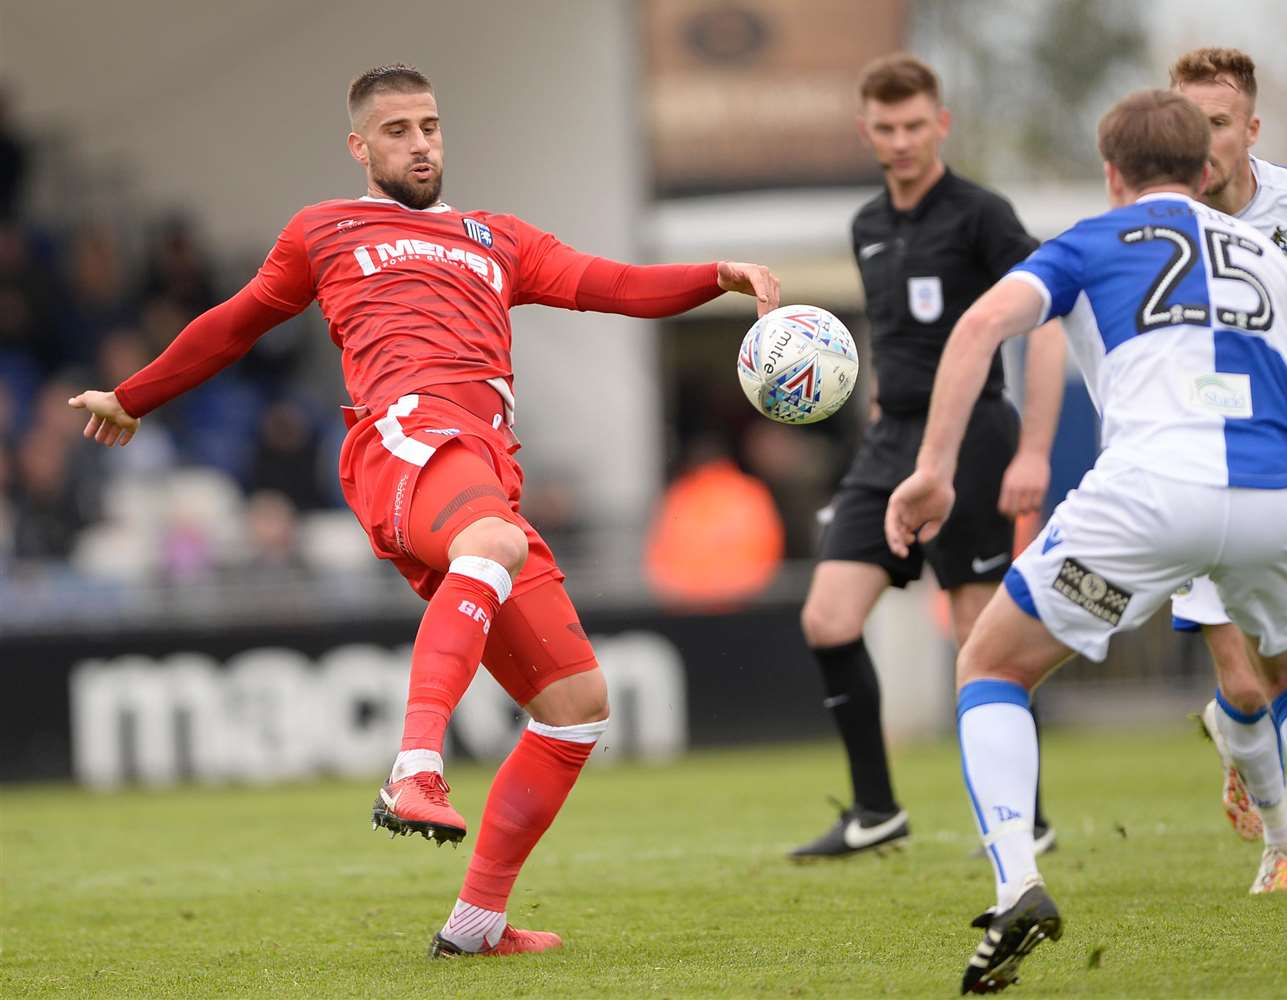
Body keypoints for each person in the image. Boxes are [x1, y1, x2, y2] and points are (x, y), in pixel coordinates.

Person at [67, 64, 780, 958]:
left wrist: (715, 274)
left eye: (430, 126)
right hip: (402, 440)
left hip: (482, 468)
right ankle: (415, 768)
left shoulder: (497, 238)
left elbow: (612, 284)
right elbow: (237, 321)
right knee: (491, 539)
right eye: (397, 130)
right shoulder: (323, 229)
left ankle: (476, 923)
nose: (420, 143)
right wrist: (132, 396)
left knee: (576, 702)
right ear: (360, 147)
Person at [885, 89, 1287, 990]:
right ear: (1205, 170)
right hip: (1273, 500)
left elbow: (979, 327)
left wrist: (933, 469)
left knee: (991, 667)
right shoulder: (1265, 254)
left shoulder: (1090, 241)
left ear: (1110, 173)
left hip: (1147, 500)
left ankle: (1018, 883)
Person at [1021, 48, 1287, 894]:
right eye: (1189, 126)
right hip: (1180, 467)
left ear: (1248, 128)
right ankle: (1280, 837)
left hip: (1286, 468)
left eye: (1217, 124)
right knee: (1245, 683)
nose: (1204, 142)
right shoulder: (1138, 230)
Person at [789, 54, 1066, 860]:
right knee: (827, 618)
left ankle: (1027, 820)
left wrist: (1034, 451)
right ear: (864, 130)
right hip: (889, 441)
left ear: (940, 123)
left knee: (981, 632)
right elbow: (893, 339)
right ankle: (875, 810)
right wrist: (875, 409)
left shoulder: (981, 214)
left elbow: (1045, 322)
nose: (901, 140)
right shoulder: (866, 225)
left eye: (915, 125)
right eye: (885, 128)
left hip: (975, 436)